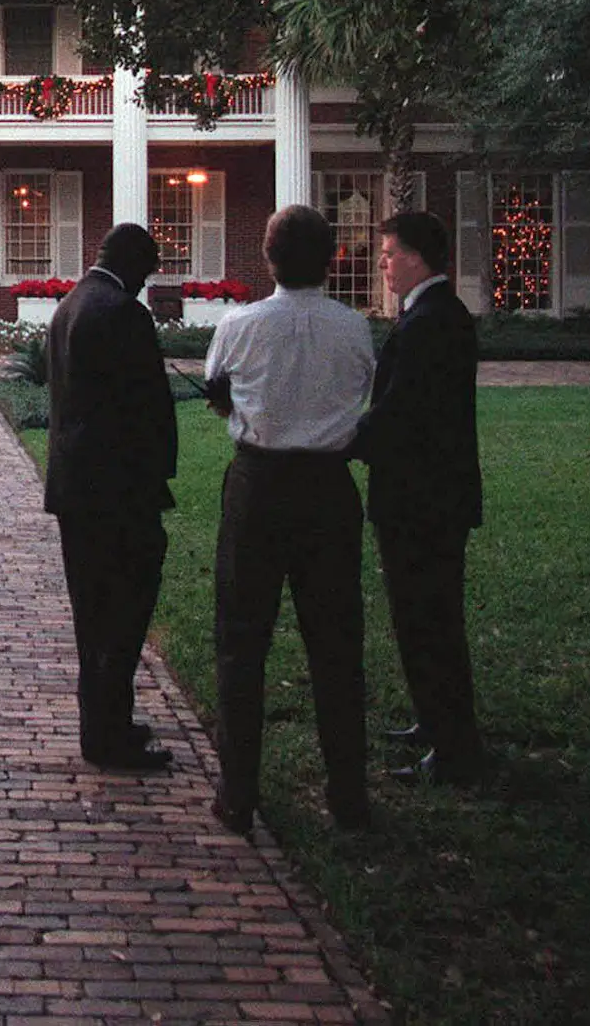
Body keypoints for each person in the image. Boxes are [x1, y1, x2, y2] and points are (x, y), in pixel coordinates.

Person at [202, 205, 376, 835]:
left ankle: (238, 793)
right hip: (329, 491)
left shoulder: (239, 325)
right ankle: (349, 796)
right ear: (330, 259)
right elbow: (361, 395)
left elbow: (217, 389)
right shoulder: (353, 328)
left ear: (268, 257)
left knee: (241, 643)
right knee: (336, 645)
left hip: (259, 485)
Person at [351, 211, 486, 785]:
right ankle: (433, 724)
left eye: (388, 253)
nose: (381, 262)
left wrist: (342, 441)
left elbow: (404, 412)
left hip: (423, 498)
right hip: (424, 494)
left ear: (417, 257)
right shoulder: (431, 315)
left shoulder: (433, 320)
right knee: (420, 619)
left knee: (429, 620)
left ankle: (453, 751)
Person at [45, 223, 178, 772]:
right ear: (132, 263)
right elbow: (145, 407)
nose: (148, 283)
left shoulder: (71, 304)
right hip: (118, 492)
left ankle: (104, 722)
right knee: (122, 615)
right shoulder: (123, 311)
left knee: (92, 616)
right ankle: (109, 737)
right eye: (147, 271)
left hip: (76, 489)